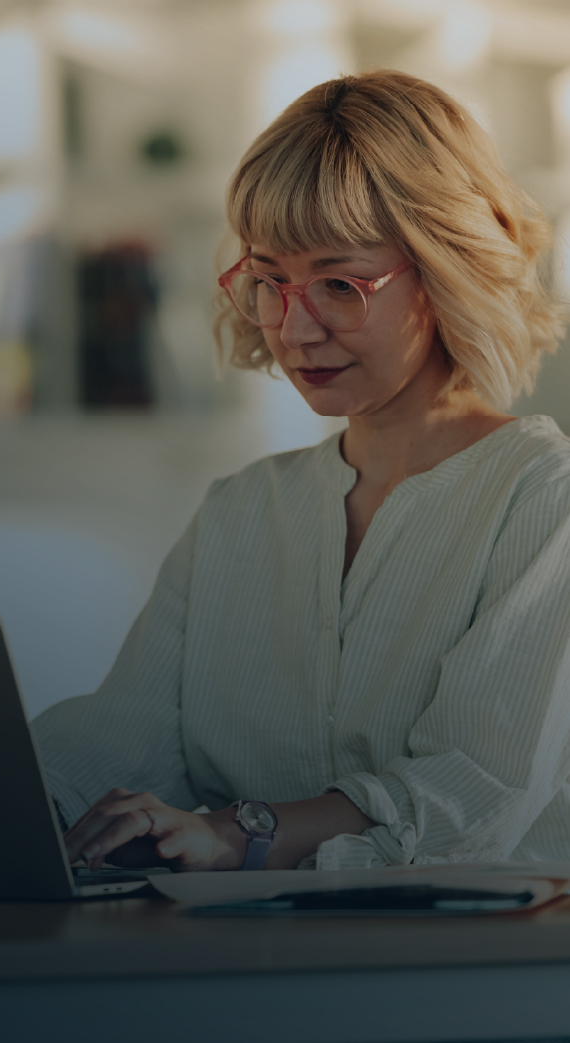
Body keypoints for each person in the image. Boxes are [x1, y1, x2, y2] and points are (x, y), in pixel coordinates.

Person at [33, 69, 570, 873]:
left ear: (447, 265)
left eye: (339, 284)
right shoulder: (242, 510)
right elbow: (122, 746)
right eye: (270, 281)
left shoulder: (543, 496)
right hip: (247, 960)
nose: (296, 327)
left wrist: (234, 831)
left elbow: (474, 789)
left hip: (472, 968)